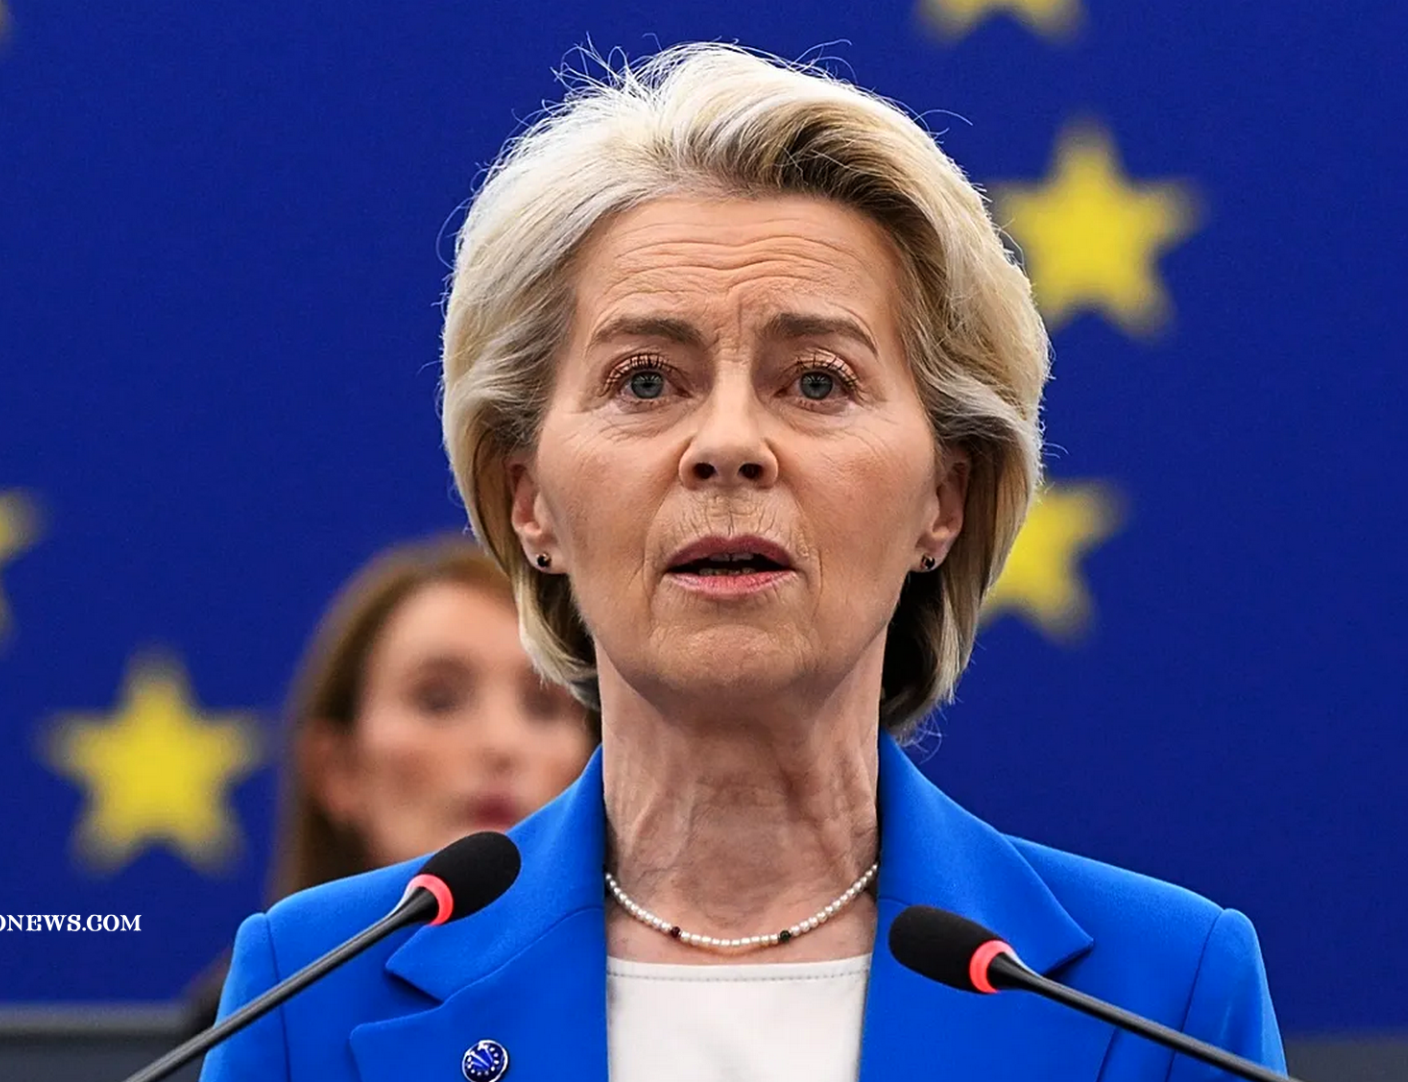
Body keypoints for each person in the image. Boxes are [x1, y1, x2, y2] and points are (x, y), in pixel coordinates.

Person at [204, 44, 1283, 1082]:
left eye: (816, 381)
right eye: (644, 380)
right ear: (528, 497)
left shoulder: (1161, 995)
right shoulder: (312, 993)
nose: (727, 443)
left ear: (944, 499)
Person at [182, 533, 597, 1032]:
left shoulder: (648, 1000)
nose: (502, 743)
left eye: (543, 705)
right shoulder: (247, 1023)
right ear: (339, 770)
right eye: (439, 700)